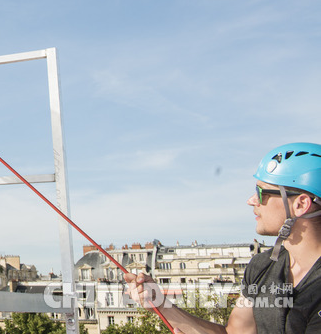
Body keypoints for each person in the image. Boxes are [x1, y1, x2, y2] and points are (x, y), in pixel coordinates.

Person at [124, 142, 321, 333]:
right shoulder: (262, 266)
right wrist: (160, 302)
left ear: (300, 204)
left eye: (261, 193)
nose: (251, 200)